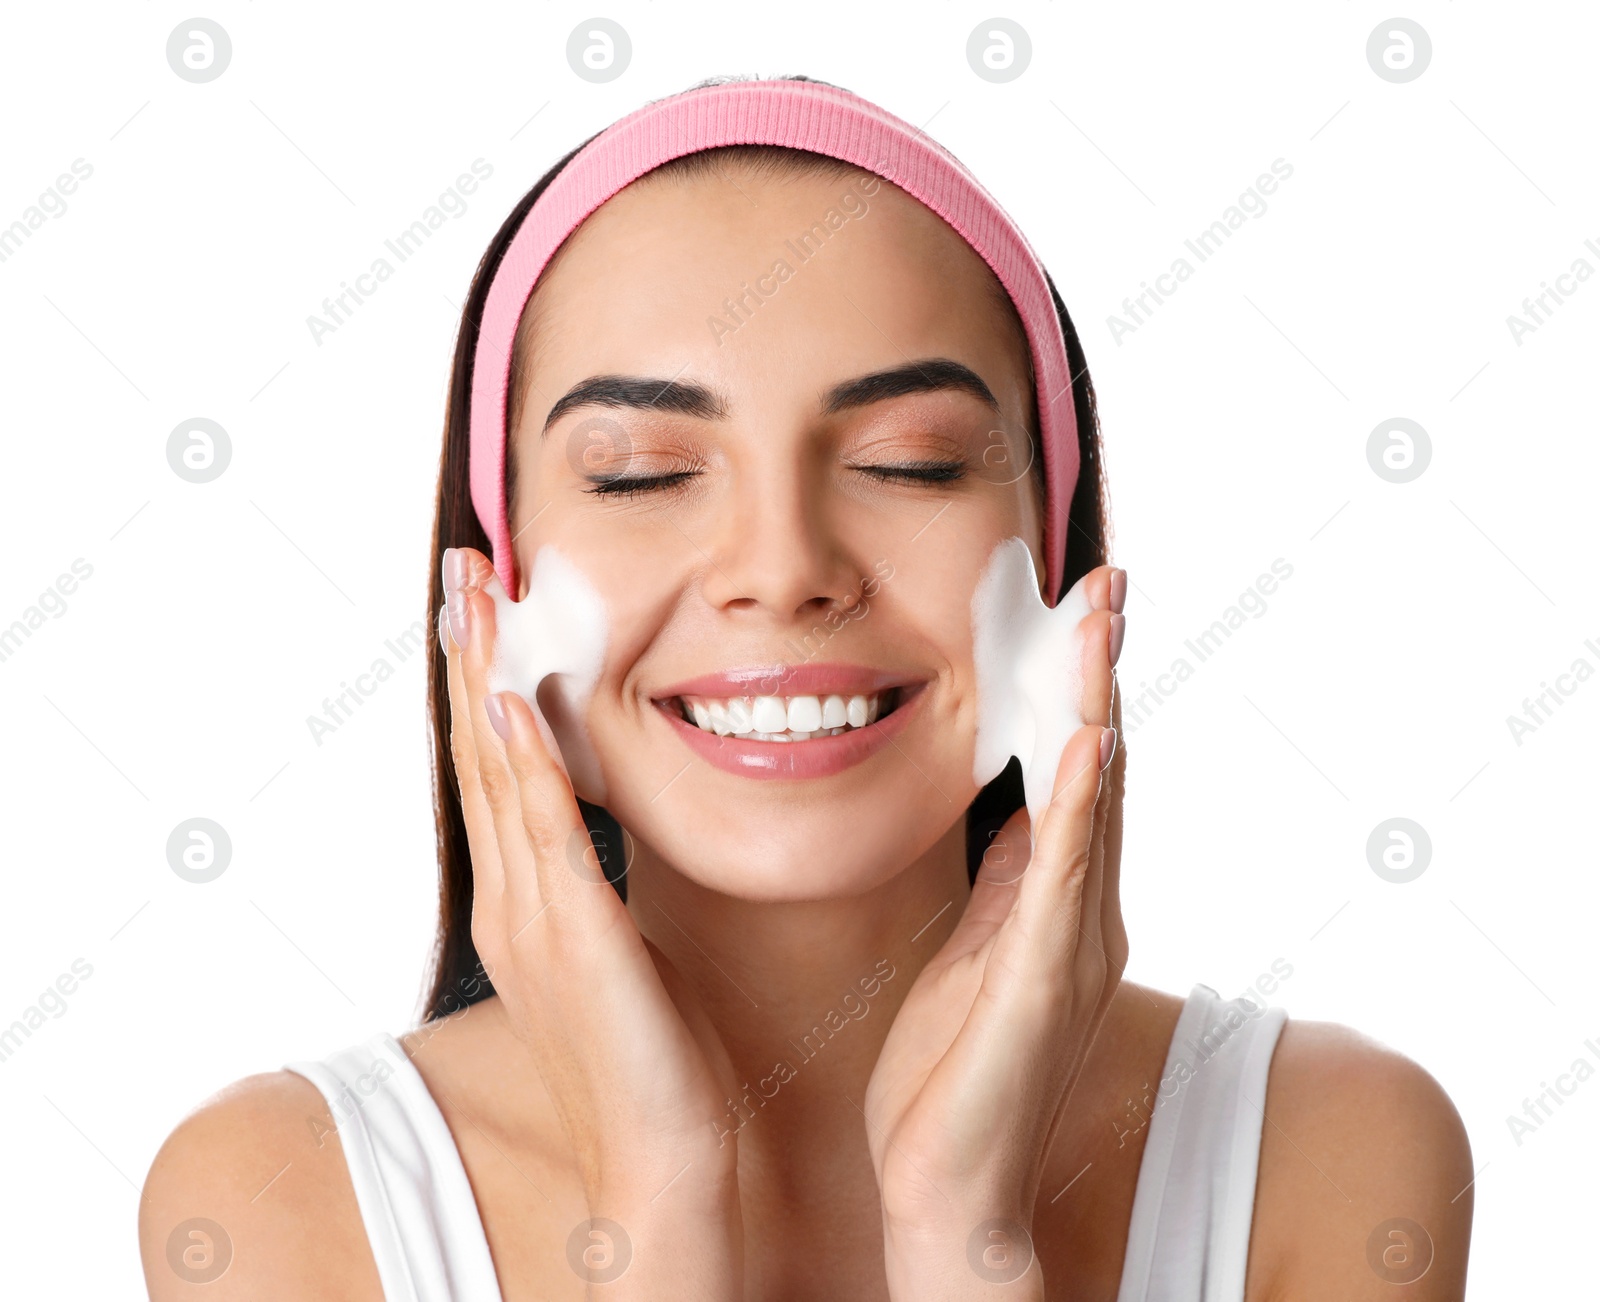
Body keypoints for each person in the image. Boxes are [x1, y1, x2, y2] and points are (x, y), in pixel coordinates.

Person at [139, 76, 1473, 1300]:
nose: (782, 570)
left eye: (908, 461)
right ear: (487, 599)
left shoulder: (1333, 1154)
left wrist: (968, 1234)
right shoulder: (282, 1197)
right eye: (642, 474)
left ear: (1059, 566)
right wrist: (655, 1207)